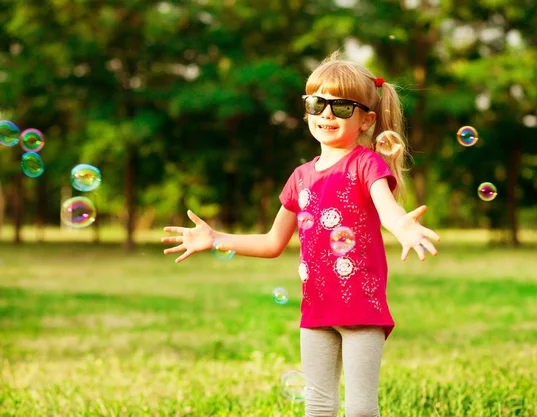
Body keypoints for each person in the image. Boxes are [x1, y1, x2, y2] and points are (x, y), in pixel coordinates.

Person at [162, 51, 440, 417]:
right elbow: (272, 242)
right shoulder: (300, 178)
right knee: (318, 405)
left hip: (361, 306)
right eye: (317, 103)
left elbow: (386, 207)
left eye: (341, 107)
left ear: (366, 120)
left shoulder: (365, 163)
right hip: (316, 308)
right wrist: (215, 239)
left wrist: (402, 224)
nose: (326, 113)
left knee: (360, 409)